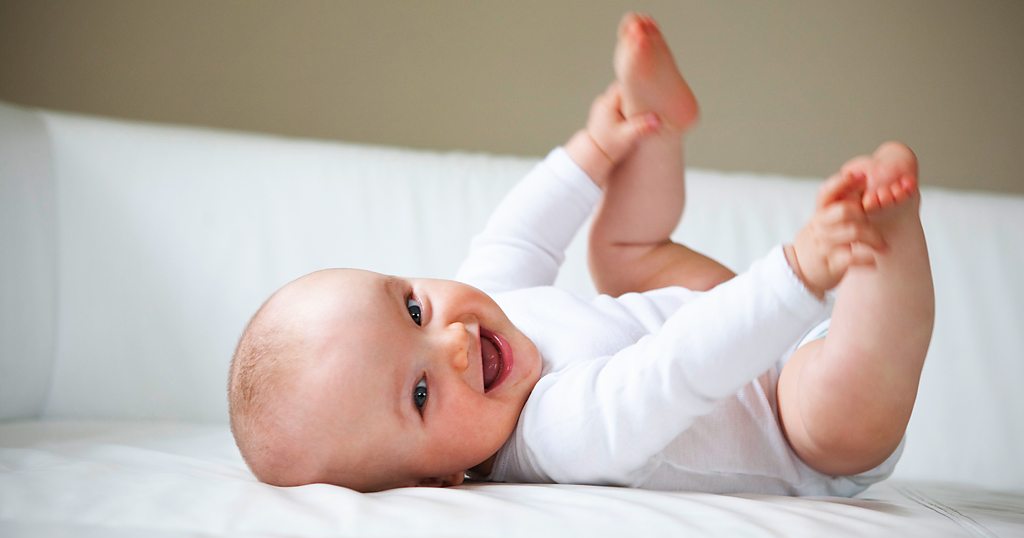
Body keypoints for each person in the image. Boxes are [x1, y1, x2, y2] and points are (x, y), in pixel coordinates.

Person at [228, 13, 934, 495]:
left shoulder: (483, 312)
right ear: (436, 479)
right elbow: (673, 370)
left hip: (723, 318)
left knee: (622, 255)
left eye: (413, 309)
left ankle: (652, 122)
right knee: (837, 416)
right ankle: (887, 232)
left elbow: (519, 236)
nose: (452, 342)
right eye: (420, 394)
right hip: (791, 420)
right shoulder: (552, 435)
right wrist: (795, 275)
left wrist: (594, 150)